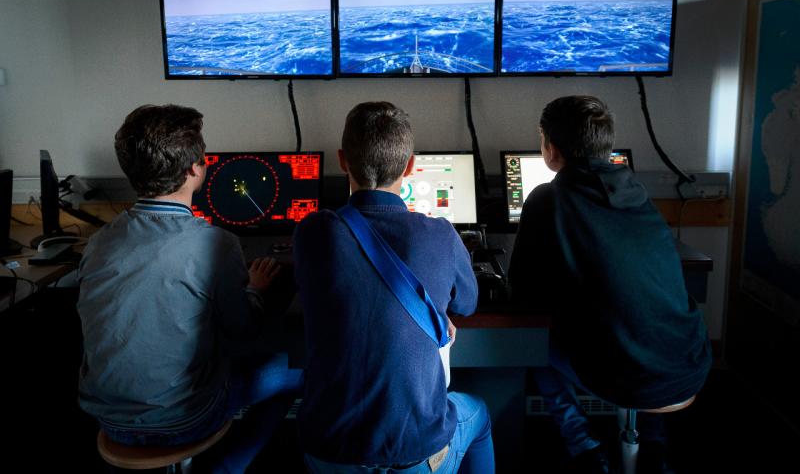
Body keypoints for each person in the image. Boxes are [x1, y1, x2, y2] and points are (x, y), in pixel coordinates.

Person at [77, 104, 303, 473]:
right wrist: (257, 290)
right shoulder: (215, 243)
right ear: (195, 168)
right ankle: (226, 468)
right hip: (182, 420)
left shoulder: (99, 241)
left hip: (106, 419)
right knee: (293, 372)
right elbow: (243, 329)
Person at [508, 96, 712, 474]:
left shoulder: (547, 198)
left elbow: (522, 291)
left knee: (532, 341)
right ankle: (654, 445)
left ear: (550, 150)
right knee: (644, 329)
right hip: (690, 364)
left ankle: (583, 445)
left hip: (627, 376)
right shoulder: (638, 196)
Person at [294, 101, 495, 473]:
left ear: (342, 160)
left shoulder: (312, 232)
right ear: (410, 166)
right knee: (478, 414)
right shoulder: (440, 234)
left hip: (328, 452)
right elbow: (467, 304)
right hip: (415, 450)